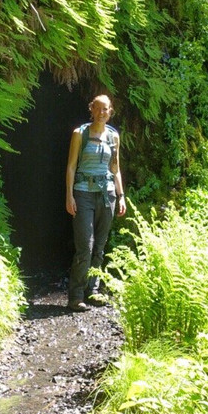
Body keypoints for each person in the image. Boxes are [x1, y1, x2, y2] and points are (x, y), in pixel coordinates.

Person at [65, 94, 126, 312]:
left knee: (99, 247)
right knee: (86, 247)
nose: (102, 113)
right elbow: (71, 166)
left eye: (106, 109)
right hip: (83, 193)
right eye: (98, 109)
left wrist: (121, 195)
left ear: (111, 111)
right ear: (92, 110)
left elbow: (115, 168)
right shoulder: (79, 134)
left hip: (106, 195)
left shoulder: (113, 136)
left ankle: (93, 291)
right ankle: (76, 296)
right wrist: (69, 196)